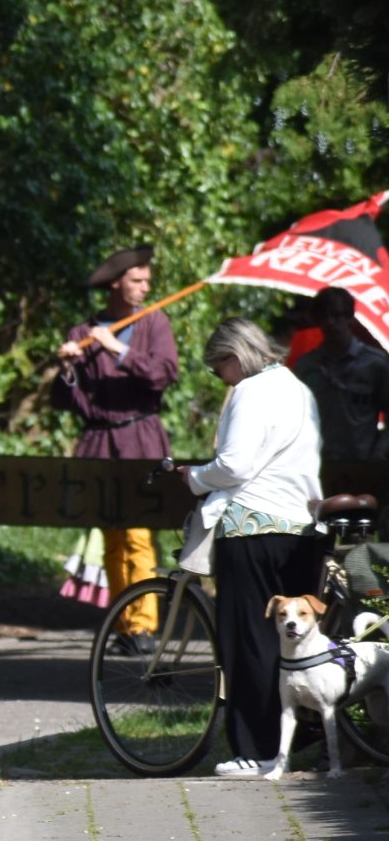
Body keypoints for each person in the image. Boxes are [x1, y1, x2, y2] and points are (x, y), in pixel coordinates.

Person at [168, 321, 325, 778]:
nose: (222, 378)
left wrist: (195, 477)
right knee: (295, 640)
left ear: (234, 356)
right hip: (302, 527)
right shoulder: (298, 388)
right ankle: (301, 739)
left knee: (248, 640)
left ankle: (255, 751)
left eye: (220, 368)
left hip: (252, 527)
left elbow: (235, 463)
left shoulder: (251, 391)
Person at [52, 244, 179, 654]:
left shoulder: (154, 323)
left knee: (138, 535)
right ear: (115, 284)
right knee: (111, 535)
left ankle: (144, 626)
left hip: (140, 438)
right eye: (136, 281)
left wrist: (118, 349)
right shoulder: (81, 332)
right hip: (100, 442)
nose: (145, 288)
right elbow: (67, 401)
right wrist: (67, 369)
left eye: (146, 281)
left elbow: (164, 373)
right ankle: (124, 626)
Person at [291, 286, 389, 461]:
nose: (330, 323)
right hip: (317, 464)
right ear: (317, 320)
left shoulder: (375, 364)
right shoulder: (306, 366)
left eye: (337, 315)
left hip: (365, 464)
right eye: (324, 317)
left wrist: (380, 451)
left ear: (350, 317)